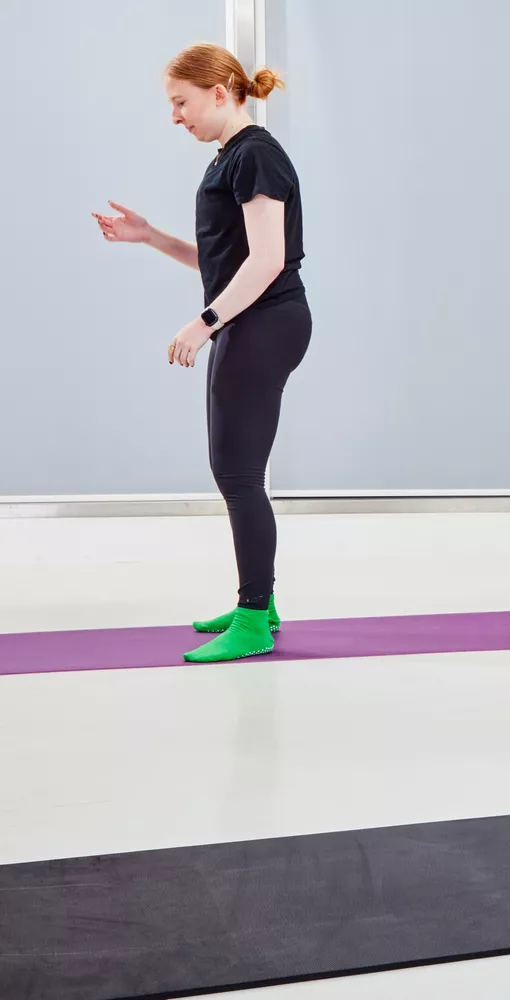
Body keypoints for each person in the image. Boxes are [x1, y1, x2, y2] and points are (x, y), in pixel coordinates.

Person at [93, 43, 310, 663]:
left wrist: (203, 324)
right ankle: (261, 604)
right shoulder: (234, 156)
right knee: (234, 470)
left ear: (220, 93)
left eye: (180, 102)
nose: (175, 116)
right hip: (252, 321)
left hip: (264, 323)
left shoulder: (256, 155)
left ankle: (253, 618)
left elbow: (267, 263)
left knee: (238, 474)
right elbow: (226, 261)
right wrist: (150, 237)